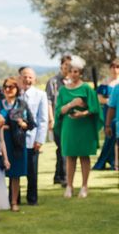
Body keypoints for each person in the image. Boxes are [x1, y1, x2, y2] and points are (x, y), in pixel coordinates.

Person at [55, 55, 103, 198]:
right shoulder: (63, 90)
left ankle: (84, 186)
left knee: (84, 156)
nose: (73, 74)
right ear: (68, 72)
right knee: (70, 156)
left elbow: (95, 109)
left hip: (84, 126)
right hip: (69, 126)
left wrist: (83, 113)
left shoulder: (87, 89)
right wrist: (72, 104)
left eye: (76, 71)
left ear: (81, 73)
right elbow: (59, 111)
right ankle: (69, 186)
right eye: (71, 71)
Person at [0, 77, 36, 212]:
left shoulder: (22, 104)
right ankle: (0, 202)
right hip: (2, 141)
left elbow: (31, 123)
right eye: (6, 87)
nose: (8, 90)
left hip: (18, 142)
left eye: (11, 87)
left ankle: (14, 202)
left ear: (17, 89)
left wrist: (23, 124)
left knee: (16, 174)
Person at [18, 67, 48, 206]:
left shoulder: (40, 95)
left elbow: (43, 119)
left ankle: (32, 198)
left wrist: (40, 140)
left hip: (32, 138)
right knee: (15, 171)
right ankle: (14, 198)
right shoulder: (14, 94)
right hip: (16, 139)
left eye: (30, 77)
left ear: (34, 79)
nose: (27, 79)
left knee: (32, 171)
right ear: (20, 78)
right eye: (24, 76)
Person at [46, 55, 71, 186]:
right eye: (66, 65)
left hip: (70, 121)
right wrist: (51, 119)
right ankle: (65, 177)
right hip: (57, 120)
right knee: (63, 148)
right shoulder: (53, 82)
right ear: (61, 65)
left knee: (62, 148)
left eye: (70, 65)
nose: (68, 68)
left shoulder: (73, 81)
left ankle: (58, 175)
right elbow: (49, 101)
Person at [93, 58, 119, 170]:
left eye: (117, 67)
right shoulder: (105, 82)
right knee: (110, 137)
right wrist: (112, 100)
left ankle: (114, 161)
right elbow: (99, 98)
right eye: (113, 67)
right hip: (108, 111)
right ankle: (105, 161)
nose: (115, 69)